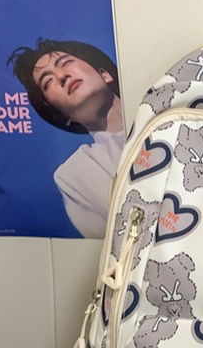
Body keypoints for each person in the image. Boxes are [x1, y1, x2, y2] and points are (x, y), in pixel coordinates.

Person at [8, 38, 125, 238]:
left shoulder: (165, 111)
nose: (61, 76)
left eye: (66, 63)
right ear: (63, 116)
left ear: (104, 74)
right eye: (48, 82)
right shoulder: (74, 175)